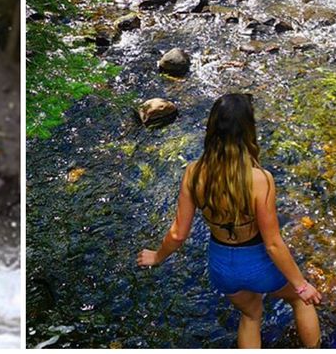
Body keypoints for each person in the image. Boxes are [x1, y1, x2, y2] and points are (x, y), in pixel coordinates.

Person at [136, 93, 321, 348]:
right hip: (258, 263)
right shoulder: (260, 178)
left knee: (251, 314)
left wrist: (157, 256)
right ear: (248, 130)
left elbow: (178, 234)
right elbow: (273, 244)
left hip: (222, 267)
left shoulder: (194, 172)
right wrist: (301, 286)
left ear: (212, 127)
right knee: (301, 301)